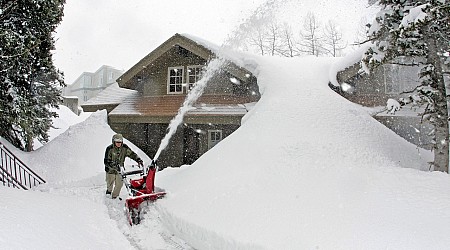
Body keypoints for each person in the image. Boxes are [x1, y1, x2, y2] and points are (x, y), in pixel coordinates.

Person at [104, 133, 143, 199]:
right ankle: (108, 192)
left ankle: (115, 197)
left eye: (120, 142)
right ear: (113, 142)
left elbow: (132, 154)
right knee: (110, 184)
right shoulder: (109, 149)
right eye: (117, 142)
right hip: (110, 170)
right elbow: (106, 161)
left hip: (120, 170)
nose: (119, 144)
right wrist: (114, 166)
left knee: (119, 184)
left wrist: (138, 159)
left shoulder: (124, 148)